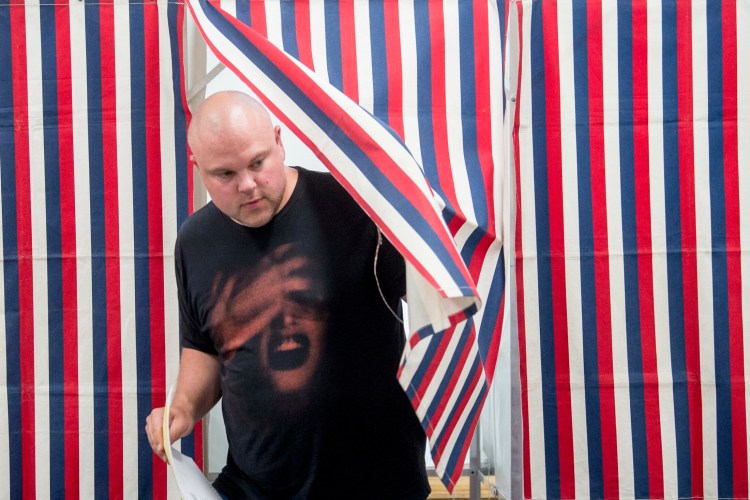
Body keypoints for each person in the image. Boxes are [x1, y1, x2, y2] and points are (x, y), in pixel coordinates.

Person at [144, 90, 430, 499]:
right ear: (198, 169)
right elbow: (205, 346)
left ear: (279, 141)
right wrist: (184, 408)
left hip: (378, 483)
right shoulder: (194, 241)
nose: (247, 185)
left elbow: (438, 302)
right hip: (254, 485)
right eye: (225, 175)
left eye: (258, 163)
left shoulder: (355, 205)